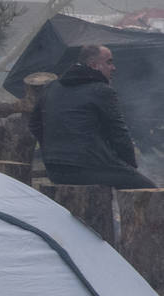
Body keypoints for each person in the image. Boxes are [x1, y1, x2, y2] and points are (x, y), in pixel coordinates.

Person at [29, 44, 155, 189]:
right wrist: (130, 167)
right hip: (89, 167)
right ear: (94, 65)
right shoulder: (101, 91)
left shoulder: (51, 87)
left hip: (55, 169)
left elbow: (34, 125)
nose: (113, 67)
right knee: (151, 191)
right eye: (109, 62)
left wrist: (51, 149)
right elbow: (119, 133)